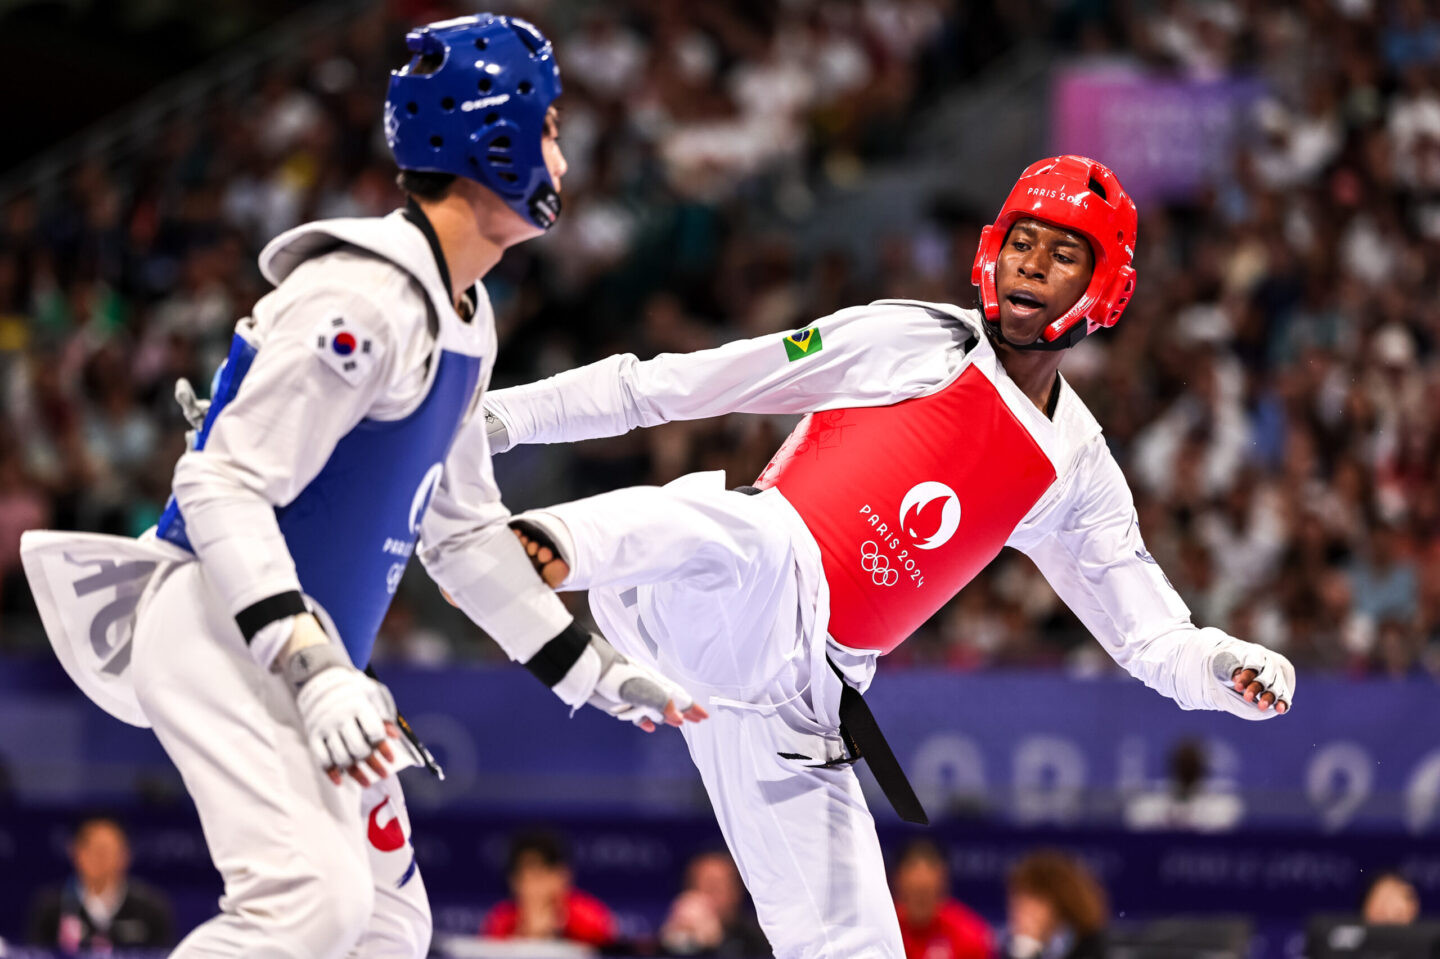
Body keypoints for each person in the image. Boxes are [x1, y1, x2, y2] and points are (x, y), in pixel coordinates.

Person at [481, 155, 1296, 957]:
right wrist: (495, 418)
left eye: (1063, 253)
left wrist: (1226, 665)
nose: (1032, 265)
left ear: (1104, 289)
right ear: (991, 248)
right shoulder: (912, 339)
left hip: (802, 706)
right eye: (1023, 241)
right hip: (712, 591)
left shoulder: (1075, 467)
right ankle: (545, 543)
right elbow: (671, 386)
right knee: (748, 533)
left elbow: (1152, 639)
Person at [20, 14, 703, 959]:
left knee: (388, 926)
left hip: (316, 655)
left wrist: (592, 671)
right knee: (312, 905)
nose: (561, 154)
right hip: (223, 624)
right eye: (547, 128)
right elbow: (218, 485)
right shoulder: (360, 296)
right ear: (490, 139)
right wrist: (311, 666)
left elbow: (462, 537)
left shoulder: (467, 321)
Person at [27, 817, 174, 951]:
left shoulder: (150, 908)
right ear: (76, 853)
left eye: (108, 851)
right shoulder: (51, 907)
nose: (101, 859)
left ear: (125, 856)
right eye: (93, 850)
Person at [480, 830, 616, 945]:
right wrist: (525, 936)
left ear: (563, 876)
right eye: (526, 877)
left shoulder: (587, 915)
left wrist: (558, 928)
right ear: (513, 881)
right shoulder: (501, 919)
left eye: (541, 875)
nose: (535, 887)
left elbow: (604, 943)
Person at [659, 850, 772, 957]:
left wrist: (717, 943)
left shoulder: (760, 937)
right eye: (698, 886)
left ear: (736, 892)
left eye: (715, 888)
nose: (706, 897)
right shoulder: (673, 932)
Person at [892, 840, 991, 959]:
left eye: (926, 891)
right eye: (914, 891)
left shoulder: (970, 935)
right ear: (898, 883)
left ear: (942, 883)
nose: (920, 900)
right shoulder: (883, 931)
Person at [1003, 851, 1107, 959]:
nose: (1020, 912)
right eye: (1017, 902)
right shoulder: (1011, 948)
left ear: (1060, 903)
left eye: (1032, 903)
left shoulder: (1093, 947)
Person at [1123, 739, 1243, 832]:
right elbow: (1137, 821)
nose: (1187, 767)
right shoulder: (1149, 805)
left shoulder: (1222, 806)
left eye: (1191, 764)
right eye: (1183, 763)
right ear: (1174, 766)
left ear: (1201, 768)